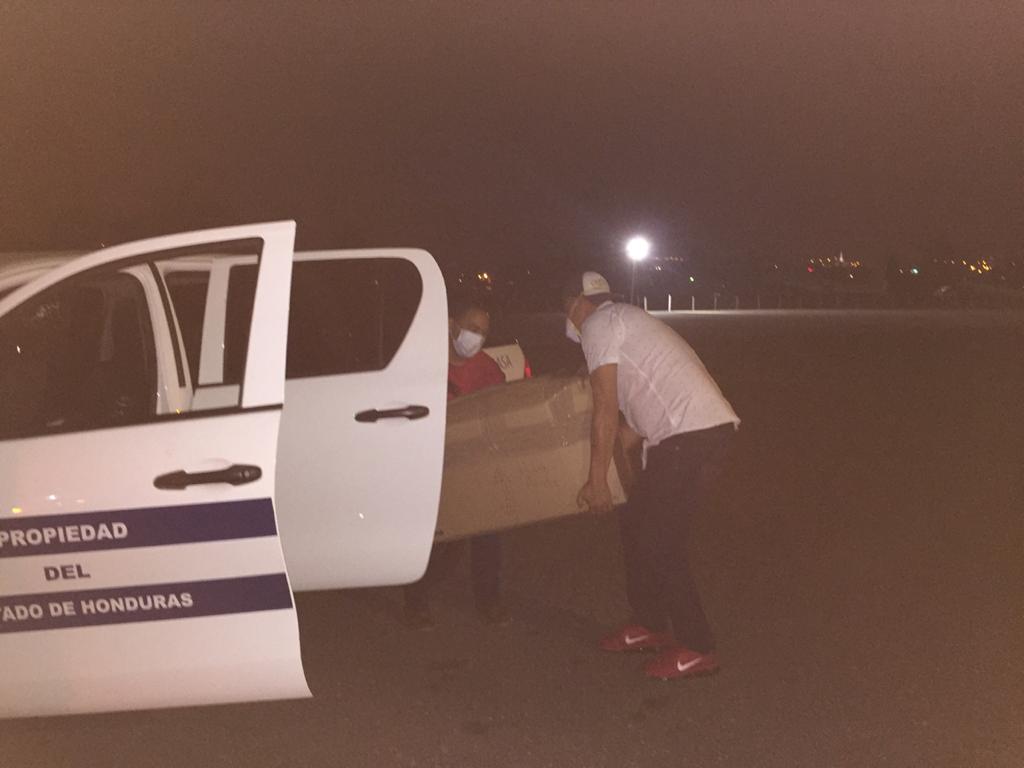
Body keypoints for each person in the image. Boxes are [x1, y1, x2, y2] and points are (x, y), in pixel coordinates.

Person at [562, 270, 740, 680]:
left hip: (689, 436)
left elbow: (604, 407)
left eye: (567, 310)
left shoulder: (598, 325)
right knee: (636, 524)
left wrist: (597, 480)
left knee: (660, 542)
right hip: (690, 433)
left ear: (577, 304)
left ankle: (698, 646)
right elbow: (634, 423)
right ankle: (650, 623)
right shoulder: (625, 320)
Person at [403, 295, 509, 628]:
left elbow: (499, 417)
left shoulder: (488, 370)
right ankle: (416, 599)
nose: (476, 337)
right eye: (472, 328)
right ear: (452, 324)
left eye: (483, 333)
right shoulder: (425, 362)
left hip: (472, 463)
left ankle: (489, 601)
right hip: (429, 462)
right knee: (436, 540)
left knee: (487, 534)